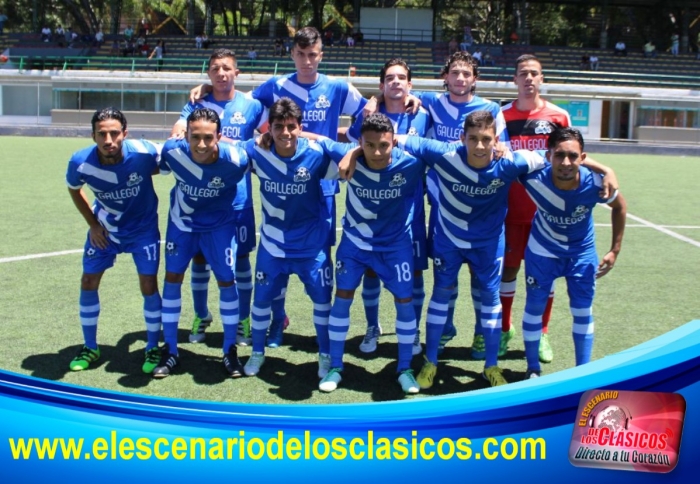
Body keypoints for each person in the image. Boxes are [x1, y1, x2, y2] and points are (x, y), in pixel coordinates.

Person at [189, 27, 368, 347]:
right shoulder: (275, 85)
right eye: (301, 54)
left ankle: (324, 331)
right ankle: (277, 320)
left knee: (320, 257)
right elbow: (241, 104)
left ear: (321, 55)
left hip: (323, 182)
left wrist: (349, 142)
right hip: (282, 180)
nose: (307, 61)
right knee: (278, 253)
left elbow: (367, 111)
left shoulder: (338, 87)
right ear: (292, 54)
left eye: (312, 54)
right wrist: (208, 88)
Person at [316, 114, 424, 394]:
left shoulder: (411, 162)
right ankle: (336, 366)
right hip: (355, 244)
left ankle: (404, 368)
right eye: (369, 145)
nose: (377, 152)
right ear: (360, 143)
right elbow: (319, 139)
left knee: (405, 301)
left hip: (395, 245)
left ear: (394, 142)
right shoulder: (349, 153)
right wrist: (352, 152)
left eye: (384, 145)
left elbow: (450, 153)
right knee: (342, 298)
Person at [170, 48, 266, 350]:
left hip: (239, 199)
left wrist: (235, 144)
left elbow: (268, 137)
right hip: (201, 201)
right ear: (208, 73)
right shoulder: (197, 102)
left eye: (226, 68)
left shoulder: (252, 105)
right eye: (215, 69)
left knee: (241, 260)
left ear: (237, 72)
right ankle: (201, 314)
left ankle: (243, 319)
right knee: (200, 258)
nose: (221, 73)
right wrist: (178, 131)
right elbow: (179, 129)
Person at [240, 98, 340, 380]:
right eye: (278, 127)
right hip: (272, 244)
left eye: (291, 127)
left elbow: (351, 160)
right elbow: (223, 149)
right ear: (269, 129)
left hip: (311, 246)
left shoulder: (316, 154)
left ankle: (325, 355)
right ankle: (257, 353)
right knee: (261, 301)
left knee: (322, 302)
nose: (285, 133)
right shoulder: (256, 151)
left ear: (300, 127)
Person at [520, 127, 626, 378]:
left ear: (583, 158)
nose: (566, 163)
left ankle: (582, 373)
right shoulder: (531, 176)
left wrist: (615, 250)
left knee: (582, 310)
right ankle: (532, 369)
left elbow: (620, 207)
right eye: (559, 155)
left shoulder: (596, 183)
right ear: (549, 156)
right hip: (542, 251)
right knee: (534, 307)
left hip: (581, 254)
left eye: (573, 156)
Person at [65, 107, 163, 375]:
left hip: (142, 231)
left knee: (148, 284)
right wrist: (93, 224)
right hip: (105, 231)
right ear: (93, 136)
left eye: (114, 133)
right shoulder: (80, 162)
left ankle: (153, 346)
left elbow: (173, 155)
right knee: (88, 281)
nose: (108, 140)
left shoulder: (143, 153)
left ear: (125, 133)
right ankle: (90, 346)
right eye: (102, 134)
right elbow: (74, 189)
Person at [345, 59, 431, 357]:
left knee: (415, 273)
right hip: (373, 209)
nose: (396, 82)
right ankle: (373, 326)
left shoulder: (423, 114)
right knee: (371, 271)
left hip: (410, 209)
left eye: (402, 78)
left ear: (410, 84)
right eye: (390, 78)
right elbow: (352, 142)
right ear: (382, 85)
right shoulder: (370, 113)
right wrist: (372, 103)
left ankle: (413, 329)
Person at [156, 108, 250, 378]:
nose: (201, 144)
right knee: (172, 278)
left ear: (219, 136)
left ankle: (229, 350)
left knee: (226, 281)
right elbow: (152, 166)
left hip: (219, 227)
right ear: (185, 135)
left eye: (208, 138)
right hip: (182, 225)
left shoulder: (236, 159)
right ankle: (171, 350)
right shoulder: (172, 152)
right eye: (195, 137)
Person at [499, 54, 573, 363]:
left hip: (546, 214)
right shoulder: (501, 115)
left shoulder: (558, 117)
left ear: (541, 78)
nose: (529, 78)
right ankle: (505, 329)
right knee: (508, 270)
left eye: (534, 73)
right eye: (523, 73)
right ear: (514, 79)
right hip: (508, 211)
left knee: (544, 275)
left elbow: (571, 160)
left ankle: (542, 332)